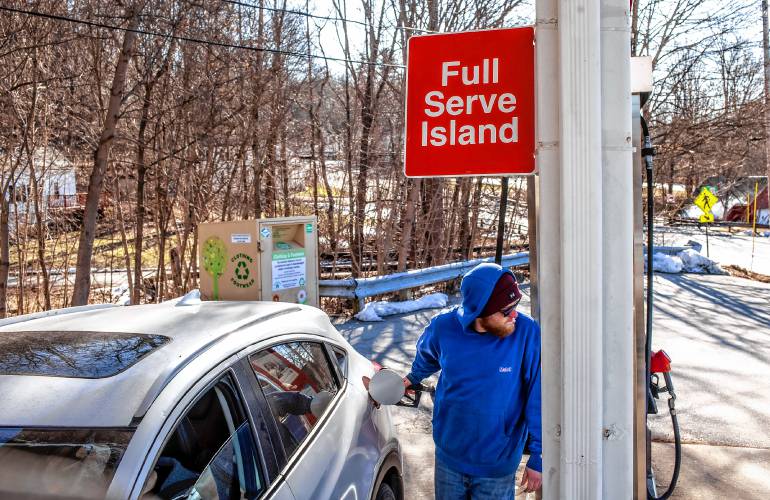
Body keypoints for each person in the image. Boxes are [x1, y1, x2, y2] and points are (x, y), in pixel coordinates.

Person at [404, 262, 542, 499]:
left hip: (497, 464)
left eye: (516, 305)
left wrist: (539, 456)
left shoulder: (526, 333)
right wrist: (411, 378)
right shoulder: (443, 327)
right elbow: (427, 357)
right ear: (480, 310)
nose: (515, 314)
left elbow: (538, 397)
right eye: (507, 310)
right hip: (449, 456)